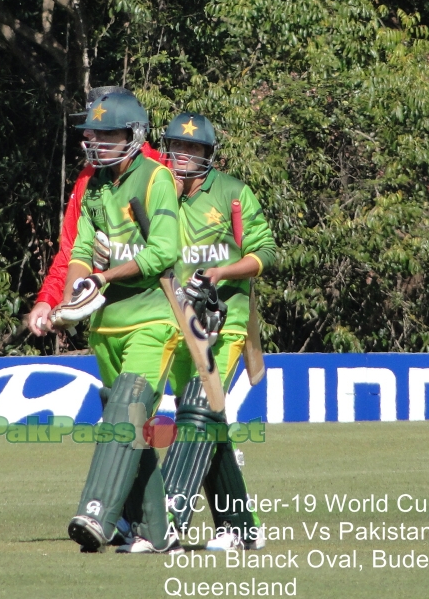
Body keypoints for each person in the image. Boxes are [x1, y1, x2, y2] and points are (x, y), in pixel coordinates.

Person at [54, 92, 182, 554]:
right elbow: (81, 252)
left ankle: (97, 514)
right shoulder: (94, 186)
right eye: (95, 134)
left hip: (153, 318)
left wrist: (105, 276)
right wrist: (72, 298)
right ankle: (154, 529)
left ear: (133, 136)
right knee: (131, 426)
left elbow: (164, 250)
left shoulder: (156, 179)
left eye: (108, 135)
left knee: (127, 410)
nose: (97, 142)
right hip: (106, 325)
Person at [160, 113, 277, 551]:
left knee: (198, 409)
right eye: (177, 148)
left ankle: (170, 518)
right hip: (173, 326)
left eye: (194, 150)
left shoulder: (231, 193)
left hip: (224, 321)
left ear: (209, 156)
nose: (183, 157)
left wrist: (221, 272)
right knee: (211, 421)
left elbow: (265, 251)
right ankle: (242, 528)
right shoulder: (158, 194)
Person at [26, 85, 165, 338]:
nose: (90, 134)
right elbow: (72, 248)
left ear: (129, 130)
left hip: (159, 313)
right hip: (109, 316)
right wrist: (52, 299)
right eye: (90, 126)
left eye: (103, 129)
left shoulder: (162, 171)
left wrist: (123, 247)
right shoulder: (89, 177)